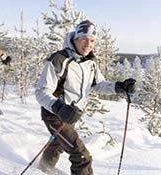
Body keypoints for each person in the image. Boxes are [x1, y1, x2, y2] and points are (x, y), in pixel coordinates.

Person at [35, 20, 136, 175]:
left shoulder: (90, 62)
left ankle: (43, 168)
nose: (88, 44)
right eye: (84, 39)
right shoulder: (59, 60)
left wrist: (119, 87)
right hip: (55, 114)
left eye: (92, 40)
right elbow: (41, 92)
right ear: (75, 39)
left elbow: (99, 84)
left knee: (59, 142)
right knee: (81, 155)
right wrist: (59, 107)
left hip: (71, 115)